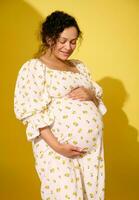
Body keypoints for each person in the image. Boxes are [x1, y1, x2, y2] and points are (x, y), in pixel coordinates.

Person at [14, 10, 107, 200]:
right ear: (49, 38)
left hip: (91, 153)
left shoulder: (79, 66)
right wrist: (57, 146)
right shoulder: (34, 68)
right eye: (63, 41)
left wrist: (90, 94)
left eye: (73, 41)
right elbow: (32, 113)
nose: (68, 47)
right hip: (57, 150)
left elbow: (96, 100)